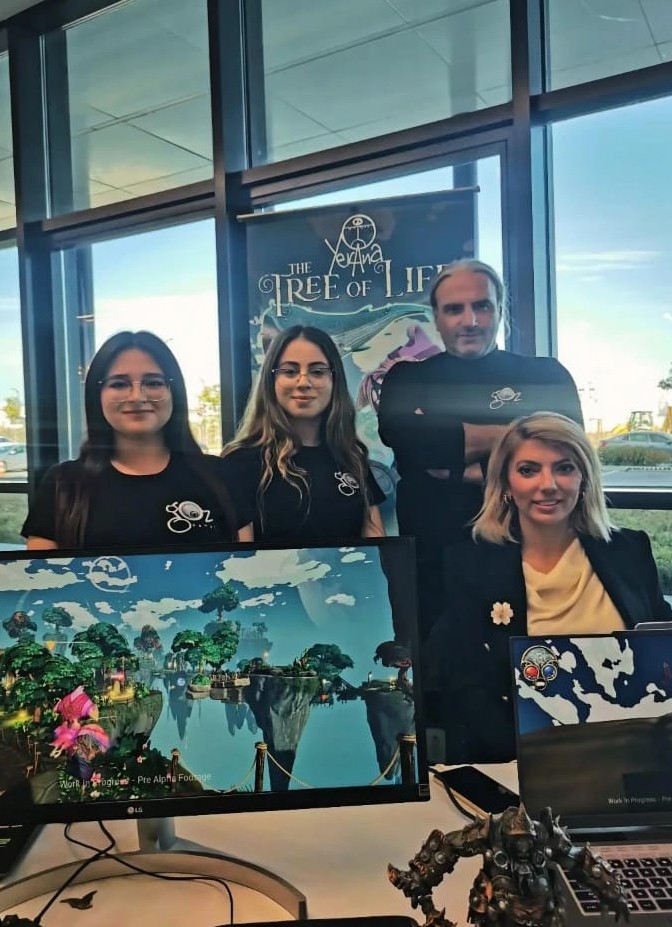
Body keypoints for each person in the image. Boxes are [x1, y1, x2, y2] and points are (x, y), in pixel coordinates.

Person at [429, 411, 672, 762]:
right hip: (520, 761)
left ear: (584, 478)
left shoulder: (629, 551)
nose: (548, 484)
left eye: (564, 468)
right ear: (506, 484)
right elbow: (462, 684)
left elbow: (661, 647)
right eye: (528, 470)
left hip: (632, 754)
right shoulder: (469, 566)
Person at [377, 259, 583, 639]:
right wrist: (522, 443)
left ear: (500, 309)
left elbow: (567, 453)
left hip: (531, 560)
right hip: (434, 569)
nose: (469, 320)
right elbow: (411, 443)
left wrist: (456, 463)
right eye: (454, 309)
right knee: (445, 670)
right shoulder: (406, 379)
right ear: (436, 317)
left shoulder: (546, 375)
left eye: (482, 306)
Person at [23, 330, 244, 549]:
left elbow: (245, 567)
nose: (137, 397)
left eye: (154, 383)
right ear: (96, 396)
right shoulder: (63, 484)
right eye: (119, 384)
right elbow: (43, 572)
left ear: (174, 392)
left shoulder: (220, 476)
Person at [221, 324, 385, 541]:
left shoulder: (352, 457)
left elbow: (376, 545)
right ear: (271, 380)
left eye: (317, 372)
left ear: (334, 380)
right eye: (290, 371)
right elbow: (241, 557)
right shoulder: (239, 463)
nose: (304, 382)